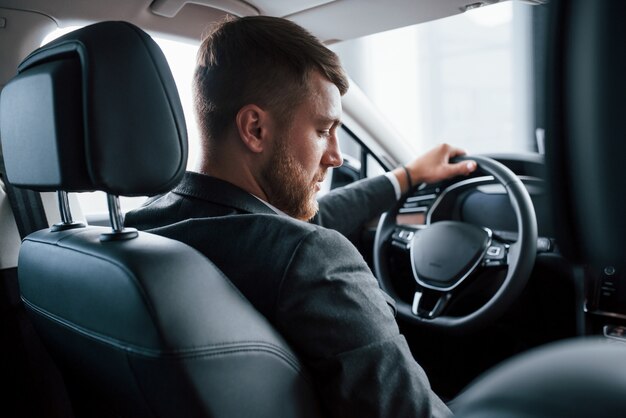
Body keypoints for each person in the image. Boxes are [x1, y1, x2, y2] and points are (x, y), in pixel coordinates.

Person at [125, 15, 476, 418]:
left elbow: (299, 220)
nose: (337, 155)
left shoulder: (140, 233)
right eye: (323, 129)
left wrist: (407, 176)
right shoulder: (311, 259)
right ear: (254, 129)